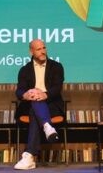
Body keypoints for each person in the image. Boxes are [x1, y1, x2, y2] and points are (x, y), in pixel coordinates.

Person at [13, 39, 65, 170]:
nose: (43, 51)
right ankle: (47, 126)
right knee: (35, 102)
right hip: (30, 104)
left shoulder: (56, 66)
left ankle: (29, 156)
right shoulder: (25, 70)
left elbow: (57, 87)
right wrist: (26, 95)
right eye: (39, 49)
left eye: (44, 48)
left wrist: (44, 94)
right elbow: (19, 90)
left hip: (51, 105)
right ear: (31, 51)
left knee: (35, 109)